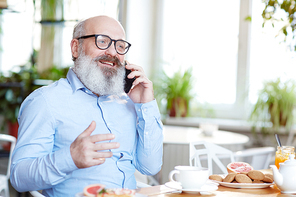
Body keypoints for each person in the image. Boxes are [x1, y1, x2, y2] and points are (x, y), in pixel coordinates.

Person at [10, 15, 163, 197]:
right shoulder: (45, 101)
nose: (113, 53)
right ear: (76, 48)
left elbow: (150, 167)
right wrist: (70, 158)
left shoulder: (129, 102)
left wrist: (146, 105)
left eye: (120, 45)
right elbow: (19, 178)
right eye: (102, 41)